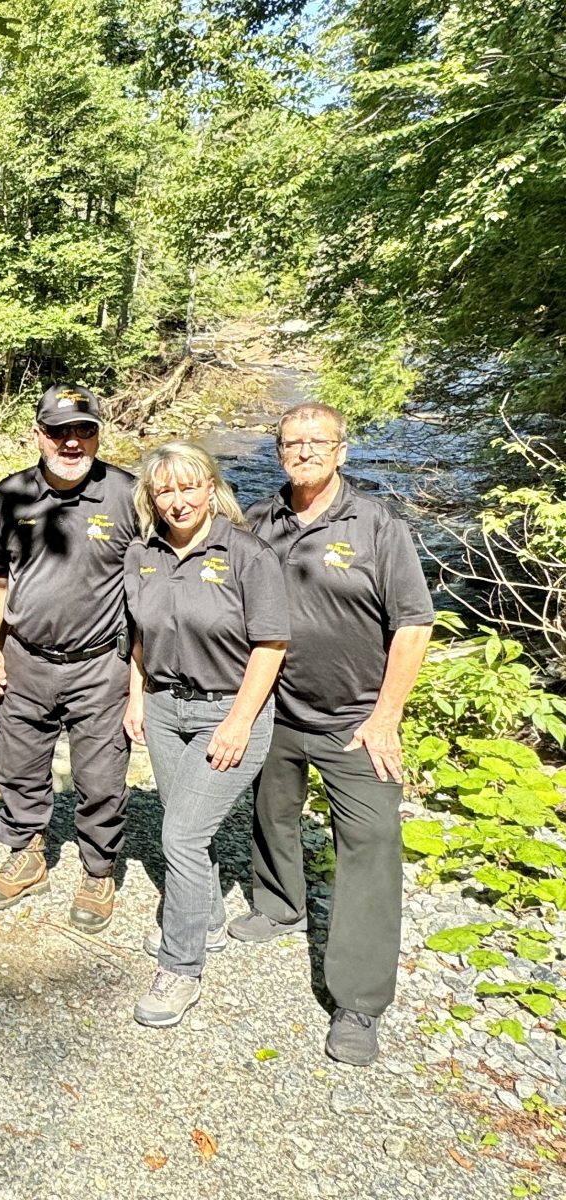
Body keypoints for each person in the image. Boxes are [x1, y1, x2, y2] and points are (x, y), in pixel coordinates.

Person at [243, 403, 434, 1066]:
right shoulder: (260, 519)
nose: (304, 451)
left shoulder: (378, 525)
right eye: (292, 441)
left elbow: (413, 626)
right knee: (272, 812)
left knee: (372, 846)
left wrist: (387, 715)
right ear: (279, 451)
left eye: (317, 441)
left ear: (342, 451)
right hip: (278, 709)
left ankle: (358, 1000)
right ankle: (278, 903)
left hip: (357, 722)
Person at [123, 441, 289, 1028]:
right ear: (151, 497)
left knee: (183, 836)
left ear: (211, 487)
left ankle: (181, 965)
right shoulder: (142, 554)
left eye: (188, 486)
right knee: (184, 824)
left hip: (230, 710)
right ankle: (206, 918)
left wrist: (240, 721)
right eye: (164, 489)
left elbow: (271, 645)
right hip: (166, 709)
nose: (176, 499)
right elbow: (141, 634)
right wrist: (137, 697)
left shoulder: (246, 554)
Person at [0, 384, 139, 931]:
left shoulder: (127, 495)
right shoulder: (11, 494)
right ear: (38, 433)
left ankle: (97, 870)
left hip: (100, 664)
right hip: (25, 658)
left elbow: (154, 588)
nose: (72, 442)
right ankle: (27, 853)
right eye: (59, 430)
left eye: (84, 430)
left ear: (98, 431)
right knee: (20, 768)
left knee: (101, 777)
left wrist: (140, 677)